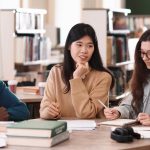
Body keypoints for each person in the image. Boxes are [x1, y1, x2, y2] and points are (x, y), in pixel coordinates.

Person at [40, 23, 114, 119]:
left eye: (90, 46)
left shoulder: (103, 77)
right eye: (79, 44)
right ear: (69, 46)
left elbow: (86, 113)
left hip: (92, 132)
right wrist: (48, 113)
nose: (84, 50)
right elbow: (44, 110)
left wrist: (77, 78)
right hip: (62, 129)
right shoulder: (56, 72)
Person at [104, 29, 150, 126]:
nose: (145, 58)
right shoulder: (144, 77)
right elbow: (132, 106)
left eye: (149, 53)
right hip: (142, 136)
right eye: (142, 52)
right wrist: (118, 112)